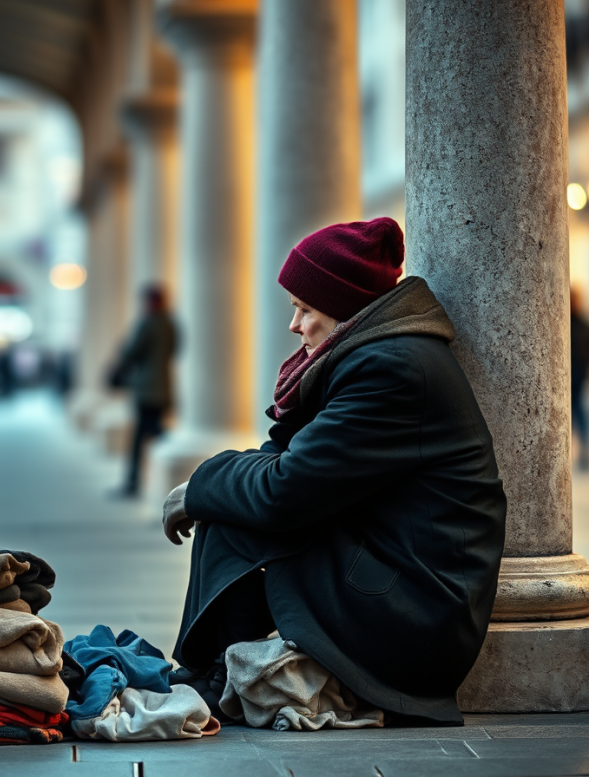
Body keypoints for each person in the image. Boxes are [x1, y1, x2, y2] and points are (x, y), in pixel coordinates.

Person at [161, 218, 507, 726]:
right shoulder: (367, 355)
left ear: (344, 311)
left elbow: (283, 492)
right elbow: (284, 462)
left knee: (233, 508)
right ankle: (212, 668)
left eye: (306, 309)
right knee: (231, 496)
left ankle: (212, 672)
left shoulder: (392, 369)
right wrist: (214, 484)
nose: (294, 325)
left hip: (419, 616)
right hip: (395, 577)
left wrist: (200, 488)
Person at [112, 284, 178, 497]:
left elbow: (131, 352)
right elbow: (176, 349)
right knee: (154, 431)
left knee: (143, 435)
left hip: (146, 389)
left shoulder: (148, 323)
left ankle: (133, 481)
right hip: (163, 387)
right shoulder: (170, 323)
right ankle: (151, 475)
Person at [570, 286, 589, 470]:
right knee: (571, 414)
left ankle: (586, 451)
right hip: (566, 377)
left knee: (579, 412)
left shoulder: (585, 323)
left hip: (579, 375)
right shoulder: (561, 320)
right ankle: (568, 451)